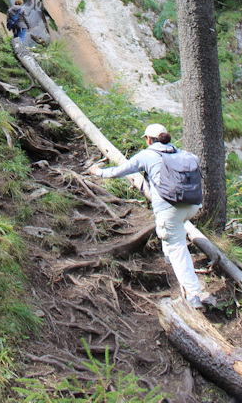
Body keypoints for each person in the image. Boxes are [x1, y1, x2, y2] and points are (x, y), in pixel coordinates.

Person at [89, 123, 209, 309]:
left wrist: (99, 172)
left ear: (150, 139)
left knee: (177, 248)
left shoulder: (147, 155)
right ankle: (168, 256)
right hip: (193, 205)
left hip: (169, 209)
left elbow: (120, 171)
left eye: (146, 139)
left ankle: (193, 295)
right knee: (171, 236)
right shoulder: (185, 154)